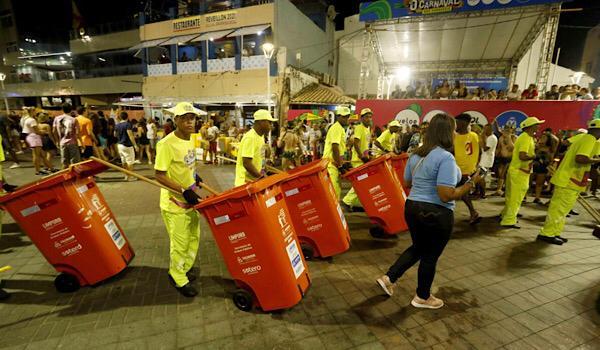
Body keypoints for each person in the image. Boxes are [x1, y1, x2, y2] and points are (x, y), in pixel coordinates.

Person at [376, 113, 481, 309]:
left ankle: (389, 278)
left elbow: (407, 182)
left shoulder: (416, 154)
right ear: (447, 133)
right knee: (430, 255)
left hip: (413, 207)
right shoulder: (445, 157)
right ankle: (422, 297)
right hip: (436, 212)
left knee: (418, 247)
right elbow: (446, 194)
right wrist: (471, 183)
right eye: (453, 130)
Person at [154, 102, 203, 297]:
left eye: (192, 118)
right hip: (175, 204)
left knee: (193, 237)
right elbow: (159, 175)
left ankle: (184, 267)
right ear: (176, 120)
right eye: (185, 118)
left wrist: (194, 176)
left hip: (190, 200)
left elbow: (187, 165)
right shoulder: (166, 143)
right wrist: (182, 189)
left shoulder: (190, 138)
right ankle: (177, 276)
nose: (190, 122)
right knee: (180, 243)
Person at [538, 120, 600, 245]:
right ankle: (547, 234)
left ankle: (554, 232)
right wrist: (596, 160)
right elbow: (580, 158)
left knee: (562, 210)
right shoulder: (590, 139)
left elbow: (566, 145)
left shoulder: (583, 137)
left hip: (570, 180)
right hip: (568, 180)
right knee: (559, 210)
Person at [500, 117, 544, 228]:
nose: (539, 126)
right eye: (537, 124)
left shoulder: (525, 137)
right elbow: (522, 156)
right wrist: (535, 157)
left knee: (511, 196)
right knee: (516, 197)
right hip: (520, 172)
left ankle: (506, 215)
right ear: (530, 127)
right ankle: (509, 220)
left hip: (517, 170)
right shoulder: (525, 138)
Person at [234, 109, 276, 186]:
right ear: (261, 122)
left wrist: (265, 171)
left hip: (254, 181)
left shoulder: (261, 136)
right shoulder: (250, 137)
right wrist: (262, 177)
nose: (271, 126)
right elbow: (247, 163)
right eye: (269, 122)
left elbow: (261, 159)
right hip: (245, 183)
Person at [342, 108, 372, 211]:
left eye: (370, 116)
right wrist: (361, 156)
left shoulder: (367, 129)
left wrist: (368, 155)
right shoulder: (359, 128)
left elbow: (365, 145)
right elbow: (355, 143)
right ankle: (346, 201)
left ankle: (354, 203)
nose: (369, 119)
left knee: (363, 182)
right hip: (358, 160)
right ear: (362, 118)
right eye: (366, 117)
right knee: (361, 182)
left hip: (364, 159)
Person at [454, 113, 481, 224]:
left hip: (465, 170)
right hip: (456, 169)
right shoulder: (454, 136)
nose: (456, 124)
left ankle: (473, 213)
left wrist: (476, 165)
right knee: (461, 193)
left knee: (462, 194)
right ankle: (473, 213)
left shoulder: (474, 136)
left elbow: (480, 151)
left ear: (465, 123)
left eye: (458, 122)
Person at [323, 106, 351, 198]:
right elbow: (335, 147)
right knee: (333, 192)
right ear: (338, 117)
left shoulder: (340, 128)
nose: (346, 119)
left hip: (334, 164)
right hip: (331, 165)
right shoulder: (336, 128)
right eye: (343, 116)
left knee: (336, 190)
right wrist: (340, 166)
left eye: (347, 116)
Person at [53, 104, 81, 169]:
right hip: (72, 142)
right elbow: (77, 132)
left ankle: (66, 177)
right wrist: (79, 142)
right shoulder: (74, 120)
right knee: (75, 163)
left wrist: (57, 141)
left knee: (64, 163)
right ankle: (74, 178)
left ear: (62, 110)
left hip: (62, 142)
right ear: (71, 110)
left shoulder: (56, 119)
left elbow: (54, 131)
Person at [21, 110, 47, 175]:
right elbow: (37, 131)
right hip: (34, 138)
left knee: (39, 154)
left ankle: (41, 169)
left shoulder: (25, 119)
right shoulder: (32, 120)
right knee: (36, 155)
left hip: (30, 137)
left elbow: (25, 131)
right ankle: (37, 171)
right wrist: (44, 132)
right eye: (34, 111)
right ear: (31, 112)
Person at [115, 112, 139, 180]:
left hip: (119, 145)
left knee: (124, 161)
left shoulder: (117, 125)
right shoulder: (128, 124)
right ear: (127, 117)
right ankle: (130, 176)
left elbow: (115, 134)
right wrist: (135, 145)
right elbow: (130, 135)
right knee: (130, 161)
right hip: (127, 145)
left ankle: (126, 175)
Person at [477, 124, 498, 198]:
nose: (484, 131)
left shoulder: (492, 138)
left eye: (485, 129)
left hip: (486, 160)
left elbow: (486, 148)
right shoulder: (490, 137)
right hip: (485, 159)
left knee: (481, 177)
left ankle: (482, 194)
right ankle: (479, 192)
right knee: (480, 177)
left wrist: (482, 139)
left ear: (490, 130)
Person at [495, 125, 516, 196]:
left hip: (510, 159)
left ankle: (504, 190)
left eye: (508, 130)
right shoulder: (501, 138)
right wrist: (496, 154)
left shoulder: (513, 137)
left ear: (512, 130)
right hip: (502, 158)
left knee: (505, 175)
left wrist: (508, 138)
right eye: (505, 129)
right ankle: (499, 189)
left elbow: (512, 148)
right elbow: (499, 147)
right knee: (500, 175)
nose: (506, 131)